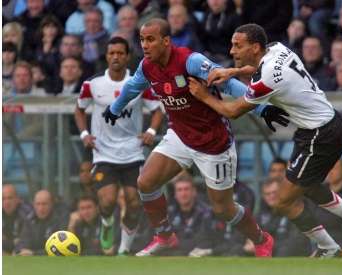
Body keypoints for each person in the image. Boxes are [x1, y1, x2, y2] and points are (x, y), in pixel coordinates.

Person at [188, 23, 342, 257]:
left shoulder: (268, 79)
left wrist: (204, 96)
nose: (232, 51)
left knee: (284, 201)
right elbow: (257, 68)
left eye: (238, 46)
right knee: (308, 186)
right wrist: (232, 72)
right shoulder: (278, 48)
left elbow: (233, 110)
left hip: (321, 135)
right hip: (319, 127)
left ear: (255, 47)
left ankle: (329, 246)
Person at [103, 18, 279, 257]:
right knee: (145, 182)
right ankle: (165, 236)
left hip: (213, 142)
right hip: (180, 135)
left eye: (151, 40)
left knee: (223, 209)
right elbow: (132, 87)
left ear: (166, 41)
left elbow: (229, 85)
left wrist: (261, 109)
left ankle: (261, 238)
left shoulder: (191, 61)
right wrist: (114, 109)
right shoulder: (147, 66)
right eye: (142, 40)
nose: (145, 45)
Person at [74, 36, 164, 255]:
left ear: (127, 56)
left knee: (134, 203)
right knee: (107, 201)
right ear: (106, 56)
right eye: (111, 53)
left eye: (120, 53)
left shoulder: (139, 82)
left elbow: (157, 110)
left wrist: (151, 131)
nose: (115, 57)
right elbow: (79, 109)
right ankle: (106, 225)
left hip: (132, 153)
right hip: (103, 153)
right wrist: (85, 133)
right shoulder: (92, 84)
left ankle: (124, 249)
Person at [15, 190, 66, 255]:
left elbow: (60, 248)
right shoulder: (30, 220)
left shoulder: (60, 220)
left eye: (44, 204)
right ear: (33, 204)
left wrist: (34, 253)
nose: (41, 208)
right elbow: (23, 242)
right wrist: (20, 251)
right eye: (38, 204)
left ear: (52, 204)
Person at [2, 184, 33, 254]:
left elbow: (26, 242)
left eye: (9, 198)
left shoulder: (27, 214)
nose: (6, 202)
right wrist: (13, 242)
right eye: (3, 199)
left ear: (18, 199)